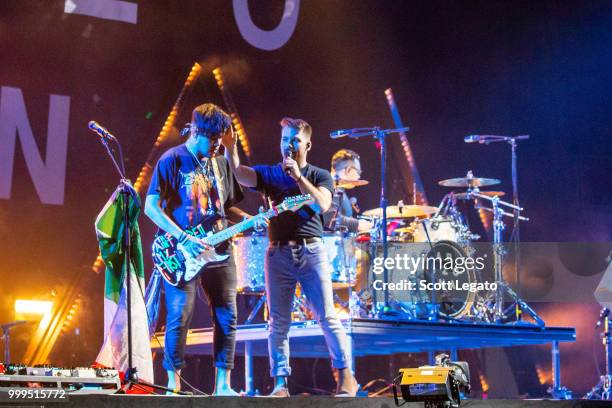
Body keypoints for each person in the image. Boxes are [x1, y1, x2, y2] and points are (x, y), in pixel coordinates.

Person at [223, 117, 359, 397]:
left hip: (312, 252)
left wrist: (298, 176)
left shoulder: (320, 175)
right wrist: (230, 148)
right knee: (278, 322)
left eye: (295, 140)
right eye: (285, 139)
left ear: (307, 144)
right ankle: (280, 383)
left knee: (327, 317)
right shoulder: (270, 174)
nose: (289, 144)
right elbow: (238, 173)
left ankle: (346, 376)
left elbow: (322, 204)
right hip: (278, 253)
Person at [144, 103, 246, 395]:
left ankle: (223, 385)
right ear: (197, 131)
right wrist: (183, 237)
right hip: (182, 252)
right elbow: (151, 206)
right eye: (213, 139)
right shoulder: (172, 159)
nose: (217, 145)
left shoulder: (222, 162)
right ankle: (172, 384)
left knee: (228, 314)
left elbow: (227, 208)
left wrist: (254, 219)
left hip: (220, 249)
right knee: (180, 316)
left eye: (220, 140)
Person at [323, 149, 372, 233]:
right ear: (348, 170)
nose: (359, 177)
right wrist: (357, 224)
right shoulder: (327, 187)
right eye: (358, 172)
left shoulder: (339, 188)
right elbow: (329, 218)